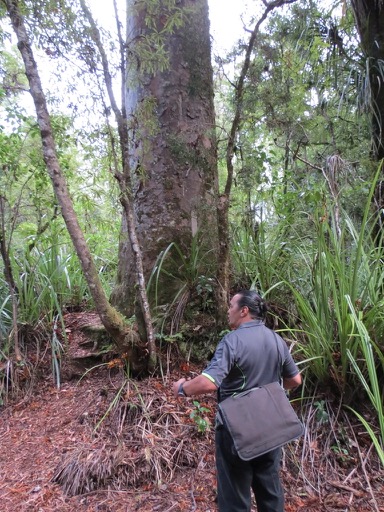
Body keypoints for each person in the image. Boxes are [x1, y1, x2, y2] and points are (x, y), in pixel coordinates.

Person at [172, 289, 302, 512]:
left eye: (231, 306)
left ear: (244, 311)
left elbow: (209, 382)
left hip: (237, 430)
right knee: (270, 492)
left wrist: (183, 388)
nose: (228, 311)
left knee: (235, 497)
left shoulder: (232, 341)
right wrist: (269, 392)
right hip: (271, 427)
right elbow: (295, 379)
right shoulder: (276, 339)